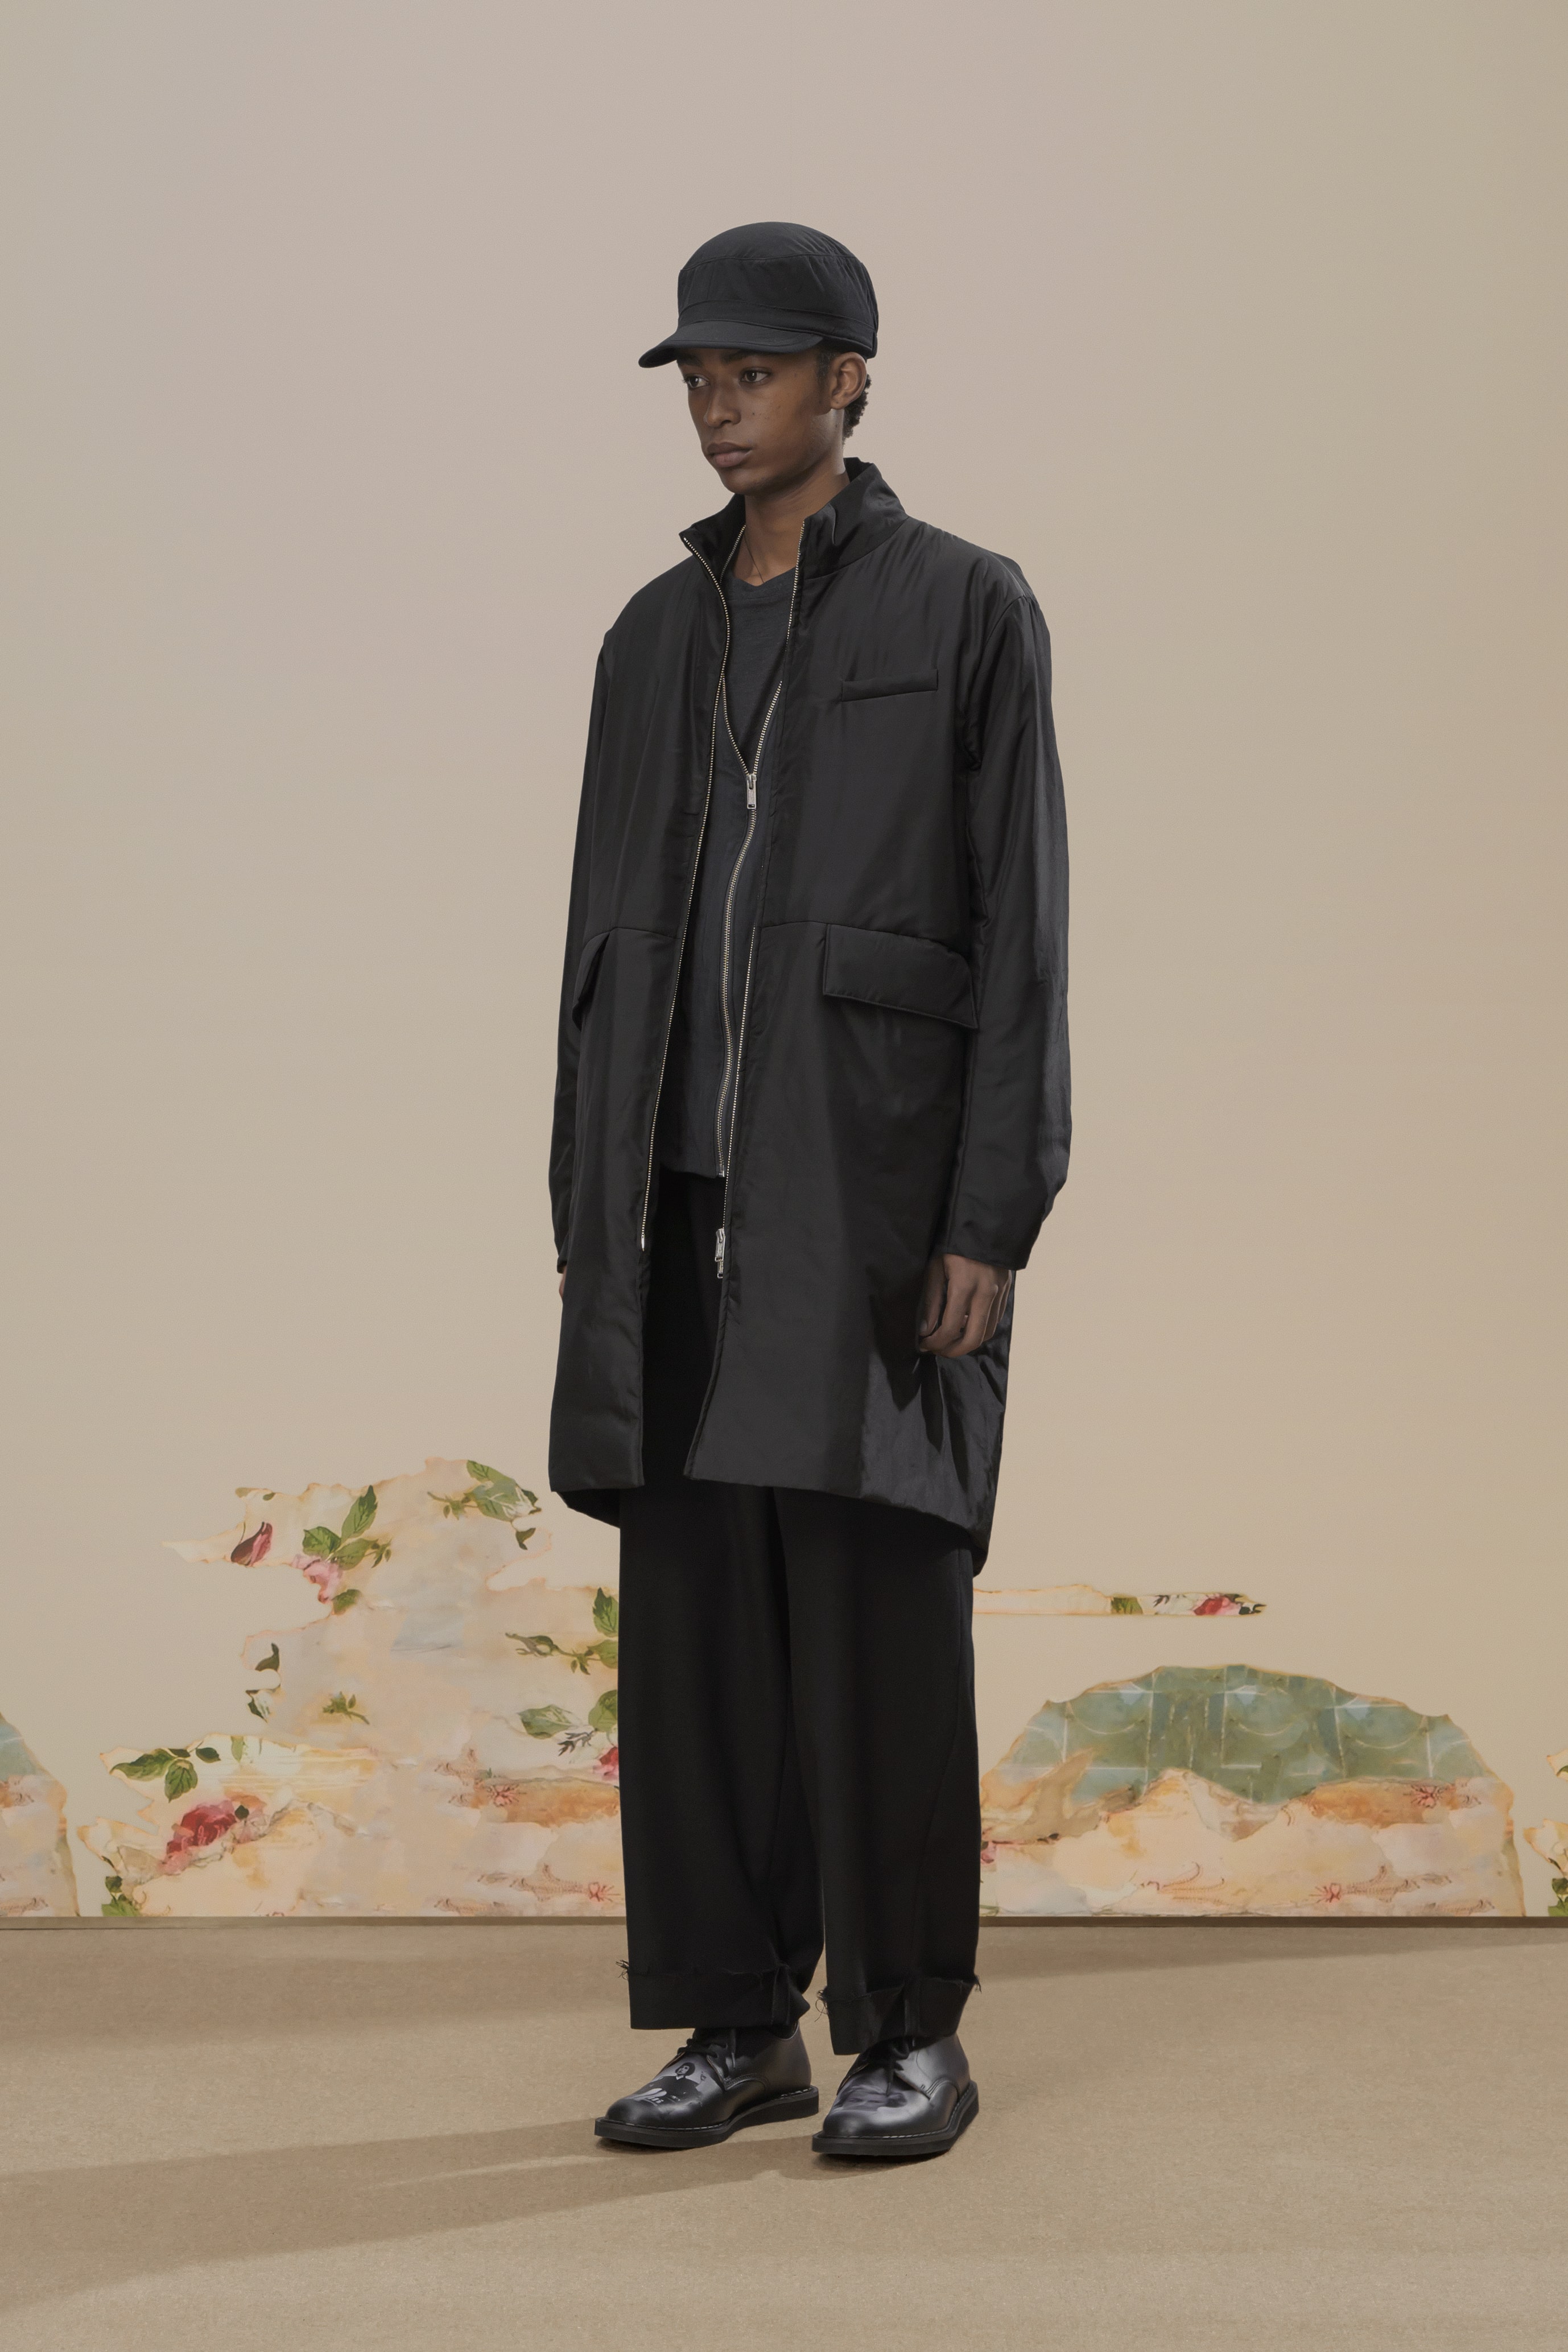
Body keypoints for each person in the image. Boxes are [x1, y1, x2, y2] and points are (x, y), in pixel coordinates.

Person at [548, 221, 1068, 2160]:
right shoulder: (649, 635)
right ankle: (735, 2023)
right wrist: (583, 1212)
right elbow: (599, 945)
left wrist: (989, 1210)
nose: (717, 405)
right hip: (664, 1209)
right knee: (696, 1640)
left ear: (848, 378)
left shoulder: (963, 605)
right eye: (696, 376)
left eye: (752, 372)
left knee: (872, 1621)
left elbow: (1020, 927)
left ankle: (908, 2032)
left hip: (866, 1201)